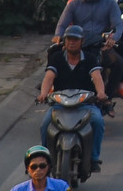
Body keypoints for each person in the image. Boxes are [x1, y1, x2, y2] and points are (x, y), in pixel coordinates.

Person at [38, 26, 107, 171]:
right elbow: (49, 76)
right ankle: (44, 157)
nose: (71, 42)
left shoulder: (90, 58)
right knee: (45, 124)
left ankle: (94, 158)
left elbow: (97, 77)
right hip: (60, 105)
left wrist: (101, 93)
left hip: (85, 104)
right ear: (64, 41)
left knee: (98, 121)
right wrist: (44, 93)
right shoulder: (56, 58)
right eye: (69, 39)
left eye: (75, 39)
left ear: (82, 41)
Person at [55, 0, 123, 98]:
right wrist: (58, 36)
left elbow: (118, 25)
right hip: (79, 42)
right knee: (53, 54)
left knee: (119, 63)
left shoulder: (110, 3)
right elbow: (62, 24)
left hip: (100, 43)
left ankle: (108, 96)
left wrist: (113, 39)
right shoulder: (73, 4)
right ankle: (54, 89)